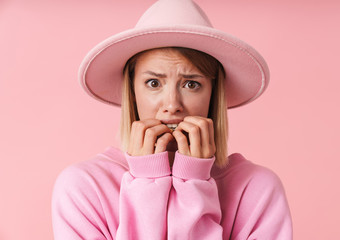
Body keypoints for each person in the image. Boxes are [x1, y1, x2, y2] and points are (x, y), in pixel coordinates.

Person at [52, 0, 293, 239]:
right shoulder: (83, 187)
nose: (172, 105)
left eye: (191, 84)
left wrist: (193, 182)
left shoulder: (257, 189)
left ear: (213, 94)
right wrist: (147, 181)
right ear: (132, 92)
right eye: (153, 83)